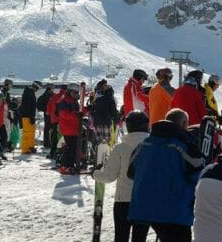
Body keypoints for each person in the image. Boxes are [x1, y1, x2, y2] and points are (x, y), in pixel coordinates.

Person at [127, 109, 203, 242]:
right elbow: (198, 178)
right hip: (175, 211)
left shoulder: (144, 144)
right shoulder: (185, 146)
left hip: (145, 208)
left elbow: (131, 173)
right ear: (184, 123)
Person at [93, 111, 150, 242]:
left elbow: (109, 177)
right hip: (144, 201)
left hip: (123, 201)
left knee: (121, 237)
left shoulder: (120, 148)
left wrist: (95, 174)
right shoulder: (153, 147)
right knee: (140, 238)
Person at [57, 83, 82, 174]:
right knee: (70, 147)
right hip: (67, 128)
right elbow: (64, 114)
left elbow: (79, 113)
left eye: (77, 92)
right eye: (74, 92)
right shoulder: (64, 101)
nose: (76, 94)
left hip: (74, 128)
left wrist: (86, 109)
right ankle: (65, 166)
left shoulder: (74, 101)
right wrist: (76, 114)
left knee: (74, 147)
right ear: (69, 91)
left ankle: (70, 165)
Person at [20, 81, 41, 154]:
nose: (38, 90)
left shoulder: (31, 93)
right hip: (26, 116)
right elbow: (27, 106)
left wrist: (32, 116)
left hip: (30, 116)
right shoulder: (28, 93)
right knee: (27, 133)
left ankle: (30, 146)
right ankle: (25, 149)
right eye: (38, 88)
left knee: (31, 132)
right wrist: (31, 116)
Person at [46, 85, 67, 159]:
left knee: (54, 137)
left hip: (54, 120)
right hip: (63, 120)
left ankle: (53, 153)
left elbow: (48, 110)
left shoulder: (54, 97)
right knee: (63, 137)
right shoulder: (66, 97)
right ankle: (60, 153)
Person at [37, 83, 55, 148]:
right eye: (53, 88)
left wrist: (45, 110)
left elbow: (39, 105)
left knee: (47, 128)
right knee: (52, 128)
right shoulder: (51, 96)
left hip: (46, 114)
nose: (54, 89)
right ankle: (50, 142)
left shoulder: (43, 96)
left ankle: (46, 142)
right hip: (51, 114)